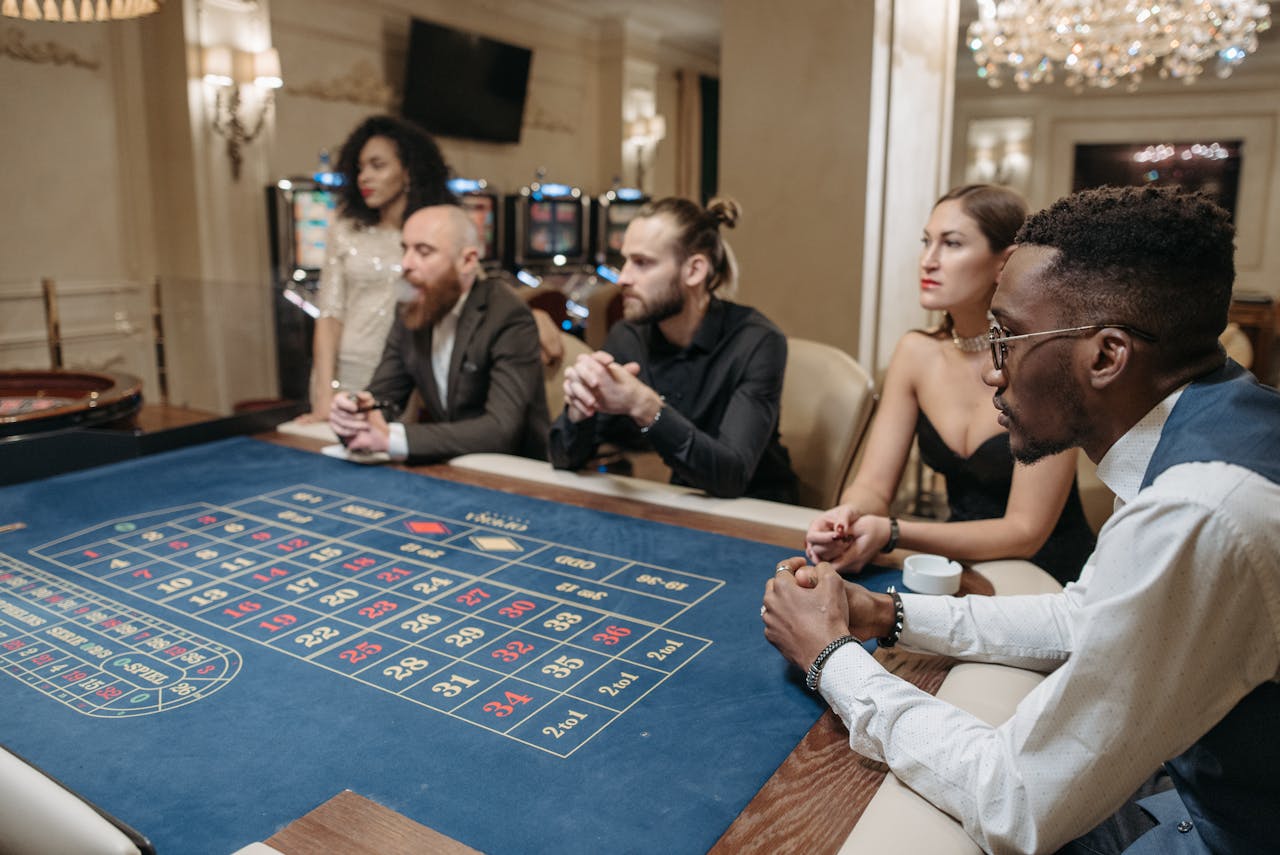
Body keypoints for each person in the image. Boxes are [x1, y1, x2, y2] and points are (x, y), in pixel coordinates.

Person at [762, 185, 1280, 854]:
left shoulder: (1199, 508)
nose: (991, 372)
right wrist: (884, 614)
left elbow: (1015, 800)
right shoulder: (1204, 419)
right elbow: (1087, 615)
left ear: (1105, 355)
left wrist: (830, 658)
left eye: (1007, 336)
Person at [807, 184, 1094, 586]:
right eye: (927, 242)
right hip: (958, 567)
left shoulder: (1049, 362)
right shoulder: (915, 353)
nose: (928, 261)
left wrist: (892, 531)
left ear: (1005, 262)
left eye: (952, 244)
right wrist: (849, 516)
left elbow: (1025, 532)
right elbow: (872, 485)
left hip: (1048, 579)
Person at [547, 196, 797, 502]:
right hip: (680, 506)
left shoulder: (756, 342)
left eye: (642, 263)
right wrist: (578, 412)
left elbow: (731, 478)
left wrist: (645, 406)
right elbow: (563, 460)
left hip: (757, 514)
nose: (623, 278)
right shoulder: (628, 336)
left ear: (694, 270)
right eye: (624, 260)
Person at [329, 204, 549, 462]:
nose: (406, 264)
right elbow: (385, 395)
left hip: (517, 474)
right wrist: (358, 414)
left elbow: (501, 430)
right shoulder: (412, 306)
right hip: (454, 465)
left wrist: (391, 439)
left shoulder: (507, 315)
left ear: (467, 261)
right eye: (405, 249)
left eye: (424, 251)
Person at [302, 115, 454, 422]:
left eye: (377, 165)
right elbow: (329, 316)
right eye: (360, 168)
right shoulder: (344, 230)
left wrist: (538, 316)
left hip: (402, 377)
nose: (364, 177)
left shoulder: (432, 236)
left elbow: (470, 294)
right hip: (343, 373)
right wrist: (323, 397)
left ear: (408, 172)